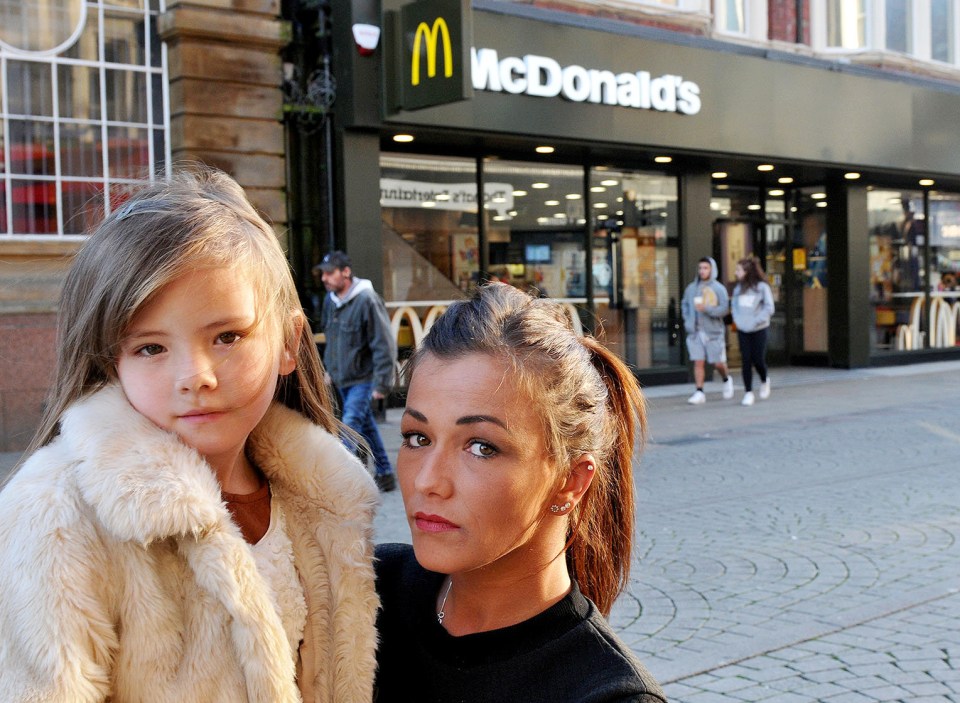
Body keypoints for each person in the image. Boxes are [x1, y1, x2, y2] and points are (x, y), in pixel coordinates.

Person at [0, 168, 379, 701]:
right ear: (113, 362)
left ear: (288, 342)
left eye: (227, 336)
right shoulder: (54, 518)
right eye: (150, 348)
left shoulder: (328, 502)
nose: (195, 376)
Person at [375, 284, 667, 703]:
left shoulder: (605, 695)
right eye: (418, 438)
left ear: (571, 480)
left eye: (481, 447)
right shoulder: (368, 591)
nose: (426, 481)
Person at [316, 250, 398, 492]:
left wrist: (382, 384)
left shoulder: (367, 300)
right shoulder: (330, 301)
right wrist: (328, 369)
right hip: (342, 378)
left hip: (364, 379)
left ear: (346, 273)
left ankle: (338, 482)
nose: (324, 278)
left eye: (330, 273)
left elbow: (383, 343)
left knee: (350, 426)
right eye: (323, 273)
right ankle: (384, 473)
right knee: (367, 427)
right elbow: (331, 337)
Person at [681, 256, 733, 404]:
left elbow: (724, 309)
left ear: (712, 269)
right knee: (698, 362)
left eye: (705, 268)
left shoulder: (718, 288)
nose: (702, 271)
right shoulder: (692, 288)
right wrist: (687, 319)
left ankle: (726, 378)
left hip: (713, 332)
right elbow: (684, 304)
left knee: (717, 363)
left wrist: (708, 309)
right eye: (700, 268)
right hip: (695, 331)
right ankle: (699, 391)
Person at [731, 256, 775, 406]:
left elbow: (769, 308)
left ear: (747, 271)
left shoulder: (762, 288)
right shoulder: (738, 289)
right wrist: (738, 321)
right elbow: (735, 307)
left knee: (758, 359)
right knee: (746, 360)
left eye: (738, 270)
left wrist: (756, 321)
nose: (736, 273)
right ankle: (748, 392)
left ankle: (764, 379)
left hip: (759, 329)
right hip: (743, 329)